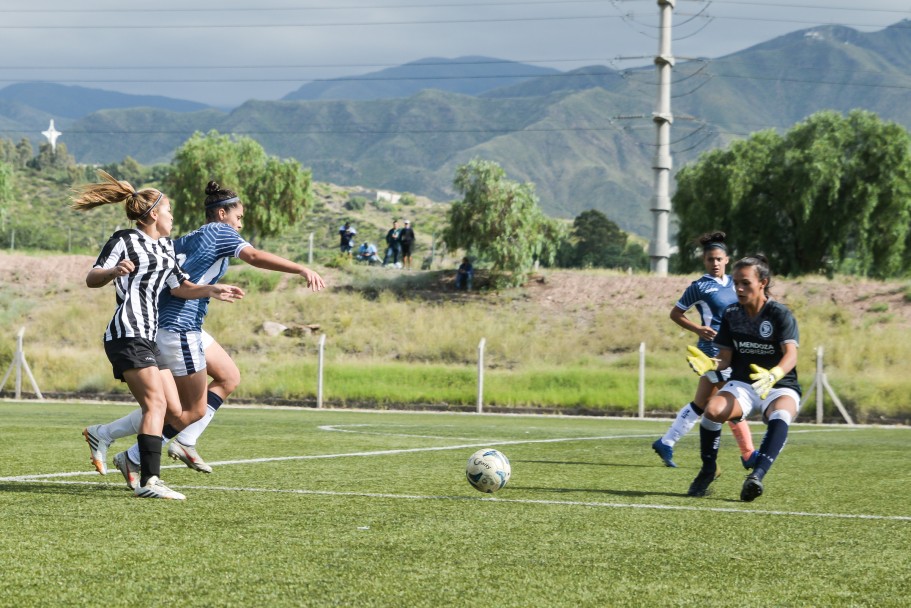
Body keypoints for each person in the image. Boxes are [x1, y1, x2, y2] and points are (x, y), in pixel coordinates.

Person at [85, 181, 326, 489]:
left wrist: (210, 289)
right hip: (178, 327)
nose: (241, 224)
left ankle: (181, 441)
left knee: (227, 377)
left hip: (178, 325)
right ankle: (133, 453)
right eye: (239, 216)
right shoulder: (220, 232)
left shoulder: (182, 239)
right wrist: (301, 269)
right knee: (184, 409)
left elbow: (175, 281)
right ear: (222, 213)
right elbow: (253, 256)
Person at [74, 171, 244, 500]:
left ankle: (107, 439)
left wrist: (213, 288)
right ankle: (149, 481)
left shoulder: (165, 249)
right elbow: (92, 277)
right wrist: (113, 271)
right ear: (154, 214)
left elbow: (182, 288)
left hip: (148, 337)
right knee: (156, 404)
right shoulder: (124, 239)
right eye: (169, 212)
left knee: (177, 411)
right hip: (126, 333)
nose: (172, 217)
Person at [686, 254, 801, 501]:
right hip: (744, 385)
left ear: (762, 282)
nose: (738, 288)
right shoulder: (732, 313)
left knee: (780, 415)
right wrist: (711, 363)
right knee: (712, 411)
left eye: (745, 283)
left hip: (779, 385)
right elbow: (725, 356)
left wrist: (774, 375)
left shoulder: (780, 314)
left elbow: (791, 355)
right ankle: (708, 469)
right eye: (736, 282)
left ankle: (756, 476)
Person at [652, 232, 756, 470]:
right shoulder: (699, 287)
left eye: (719, 259)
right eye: (710, 259)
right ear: (704, 261)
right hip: (712, 354)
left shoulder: (734, 283)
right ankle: (749, 454)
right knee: (732, 402)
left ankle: (666, 442)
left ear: (727, 259)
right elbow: (675, 314)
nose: (715, 263)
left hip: (731, 352)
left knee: (701, 403)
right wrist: (698, 328)